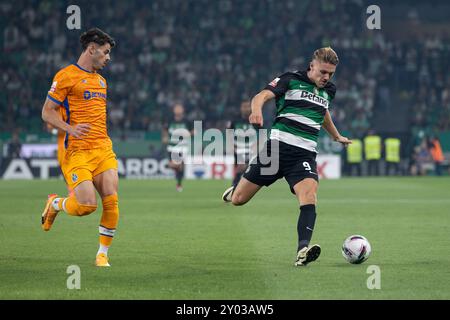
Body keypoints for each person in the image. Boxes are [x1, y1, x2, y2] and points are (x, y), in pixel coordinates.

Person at [230, 47, 351, 266]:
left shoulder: (329, 91)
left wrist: (336, 135)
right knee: (238, 200)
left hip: (303, 154)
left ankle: (302, 250)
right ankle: (236, 187)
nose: (326, 77)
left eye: (331, 74)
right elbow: (262, 95)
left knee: (309, 196)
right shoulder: (290, 79)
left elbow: (322, 112)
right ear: (311, 66)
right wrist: (256, 110)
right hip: (276, 150)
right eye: (323, 72)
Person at [40, 28, 118, 267]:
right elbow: (46, 112)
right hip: (77, 151)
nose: (107, 58)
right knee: (85, 205)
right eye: (105, 53)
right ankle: (55, 204)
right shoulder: (65, 76)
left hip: (103, 149)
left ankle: (102, 254)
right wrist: (70, 128)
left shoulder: (101, 81)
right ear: (91, 49)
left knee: (111, 201)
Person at [222, 100, 258, 201]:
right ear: (241, 108)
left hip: (251, 150)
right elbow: (229, 133)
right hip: (238, 149)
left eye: (247, 106)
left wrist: (256, 145)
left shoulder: (255, 119)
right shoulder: (235, 120)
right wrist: (232, 146)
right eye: (244, 106)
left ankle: (234, 190)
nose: (246, 108)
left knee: (242, 169)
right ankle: (234, 190)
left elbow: (262, 133)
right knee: (241, 169)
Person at [162, 103, 193, 192]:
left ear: (183, 110)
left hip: (182, 147)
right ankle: (170, 166)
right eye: (176, 108)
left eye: (180, 108)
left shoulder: (186, 121)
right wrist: (164, 137)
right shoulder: (170, 120)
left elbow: (194, 131)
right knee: (178, 166)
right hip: (172, 146)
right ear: (174, 110)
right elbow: (164, 129)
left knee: (179, 166)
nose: (178, 110)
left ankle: (179, 184)